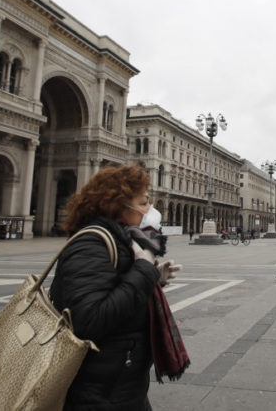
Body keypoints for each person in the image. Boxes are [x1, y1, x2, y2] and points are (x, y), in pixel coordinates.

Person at [49, 165, 185, 410]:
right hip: (97, 388)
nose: (150, 210)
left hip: (120, 380)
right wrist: (144, 268)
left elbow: (116, 290)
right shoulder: (91, 244)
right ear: (119, 204)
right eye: (144, 202)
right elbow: (89, 320)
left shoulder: (122, 238)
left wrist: (154, 278)